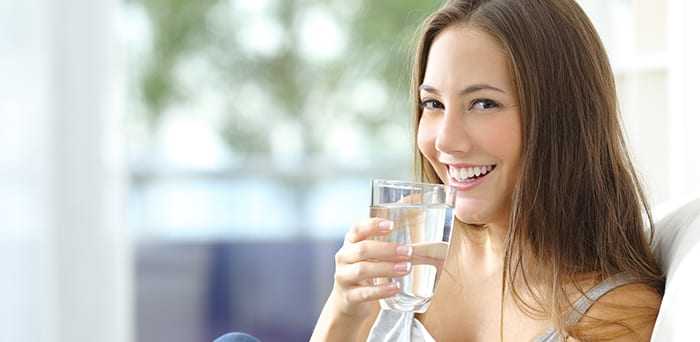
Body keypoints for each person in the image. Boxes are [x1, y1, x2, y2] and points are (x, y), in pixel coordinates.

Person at [311, 0, 664, 341]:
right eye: (433, 104)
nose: (445, 141)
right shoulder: (409, 244)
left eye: (483, 104)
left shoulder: (614, 313)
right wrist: (344, 309)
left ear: (562, 120)